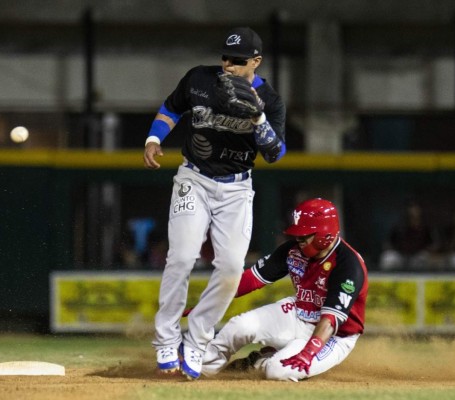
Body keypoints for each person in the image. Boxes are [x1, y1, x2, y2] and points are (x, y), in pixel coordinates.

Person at [143, 26, 286, 380]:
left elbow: (275, 154)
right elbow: (171, 108)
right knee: (181, 256)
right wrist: (153, 137)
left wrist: (258, 118)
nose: (228, 65)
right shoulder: (199, 79)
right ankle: (166, 338)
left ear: (256, 61)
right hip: (194, 179)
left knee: (231, 267)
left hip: (237, 190)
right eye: (225, 57)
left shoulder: (269, 100)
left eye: (238, 61)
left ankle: (197, 340)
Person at [200, 198, 368, 382]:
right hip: (299, 313)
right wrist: (212, 299)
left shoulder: (349, 265)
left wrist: (308, 353)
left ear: (324, 234)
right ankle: (203, 367)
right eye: (297, 235)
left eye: (304, 236)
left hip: (333, 336)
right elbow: (252, 279)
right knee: (239, 327)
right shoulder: (293, 250)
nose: (299, 240)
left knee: (278, 371)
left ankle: (258, 362)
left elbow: (330, 321)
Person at [378, 200, 437, 271]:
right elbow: (388, 243)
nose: (413, 213)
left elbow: (434, 245)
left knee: (425, 258)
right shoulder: (399, 226)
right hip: (401, 256)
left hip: (418, 257)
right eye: (411, 212)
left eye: (415, 211)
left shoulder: (426, 227)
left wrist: (426, 250)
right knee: (388, 257)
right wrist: (394, 248)